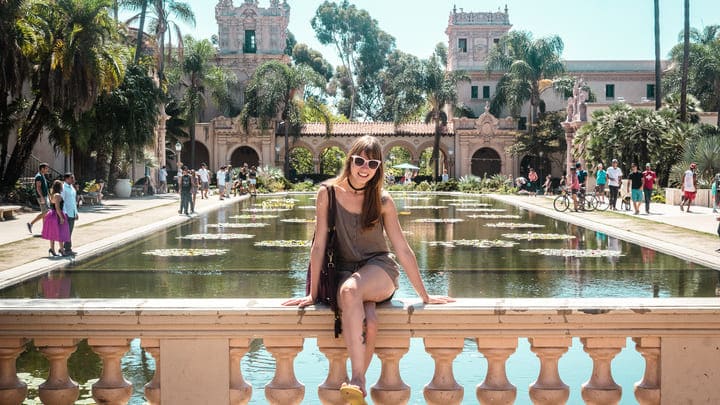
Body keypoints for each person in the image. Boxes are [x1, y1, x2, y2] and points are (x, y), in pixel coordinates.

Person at [282, 135, 453, 403]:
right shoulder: (327, 193)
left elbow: (403, 249)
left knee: (352, 291)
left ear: (378, 168)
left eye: (372, 164)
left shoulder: (382, 200)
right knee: (370, 322)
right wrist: (312, 294)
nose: (365, 168)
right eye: (360, 160)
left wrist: (425, 295)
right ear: (350, 160)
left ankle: (357, 379)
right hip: (343, 270)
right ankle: (358, 388)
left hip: (379, 269)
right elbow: (318, 247)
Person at [42, 180, 70, 257]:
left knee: (53, 233)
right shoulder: (57, 195)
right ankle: (62, 250)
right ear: (59, 187)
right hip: (56, 215)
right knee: (60, 232)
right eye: (61, 186)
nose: (62, 187)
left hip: (52, 215)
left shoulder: (53, 194)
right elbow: (57, 208)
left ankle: (52, 249)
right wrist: (61, 217)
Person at [27, 163, 50, 234]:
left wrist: (49, 196)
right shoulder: (38, 176)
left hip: (45, 196)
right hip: (41, 197)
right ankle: (31, 224)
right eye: (46, 168)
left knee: (45, 213)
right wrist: (42, 197)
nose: (47, 170)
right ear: (42, 169)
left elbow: (45, 187)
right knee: (46, 212)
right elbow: (38, 188)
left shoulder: (42, 175)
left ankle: (44, 230)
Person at [60, 173, 78, 256]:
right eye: (71, 178)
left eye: (73, 178)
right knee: (67, 232)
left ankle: (64, 248)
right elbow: (62, 201)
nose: (73, 179)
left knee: (69, 231)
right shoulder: (63, 188)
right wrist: (65, 213)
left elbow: (73, 201)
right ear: (66, 179)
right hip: (67, 213)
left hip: (72, 212)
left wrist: (76, 212)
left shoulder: (72, 188)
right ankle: (67, 249)